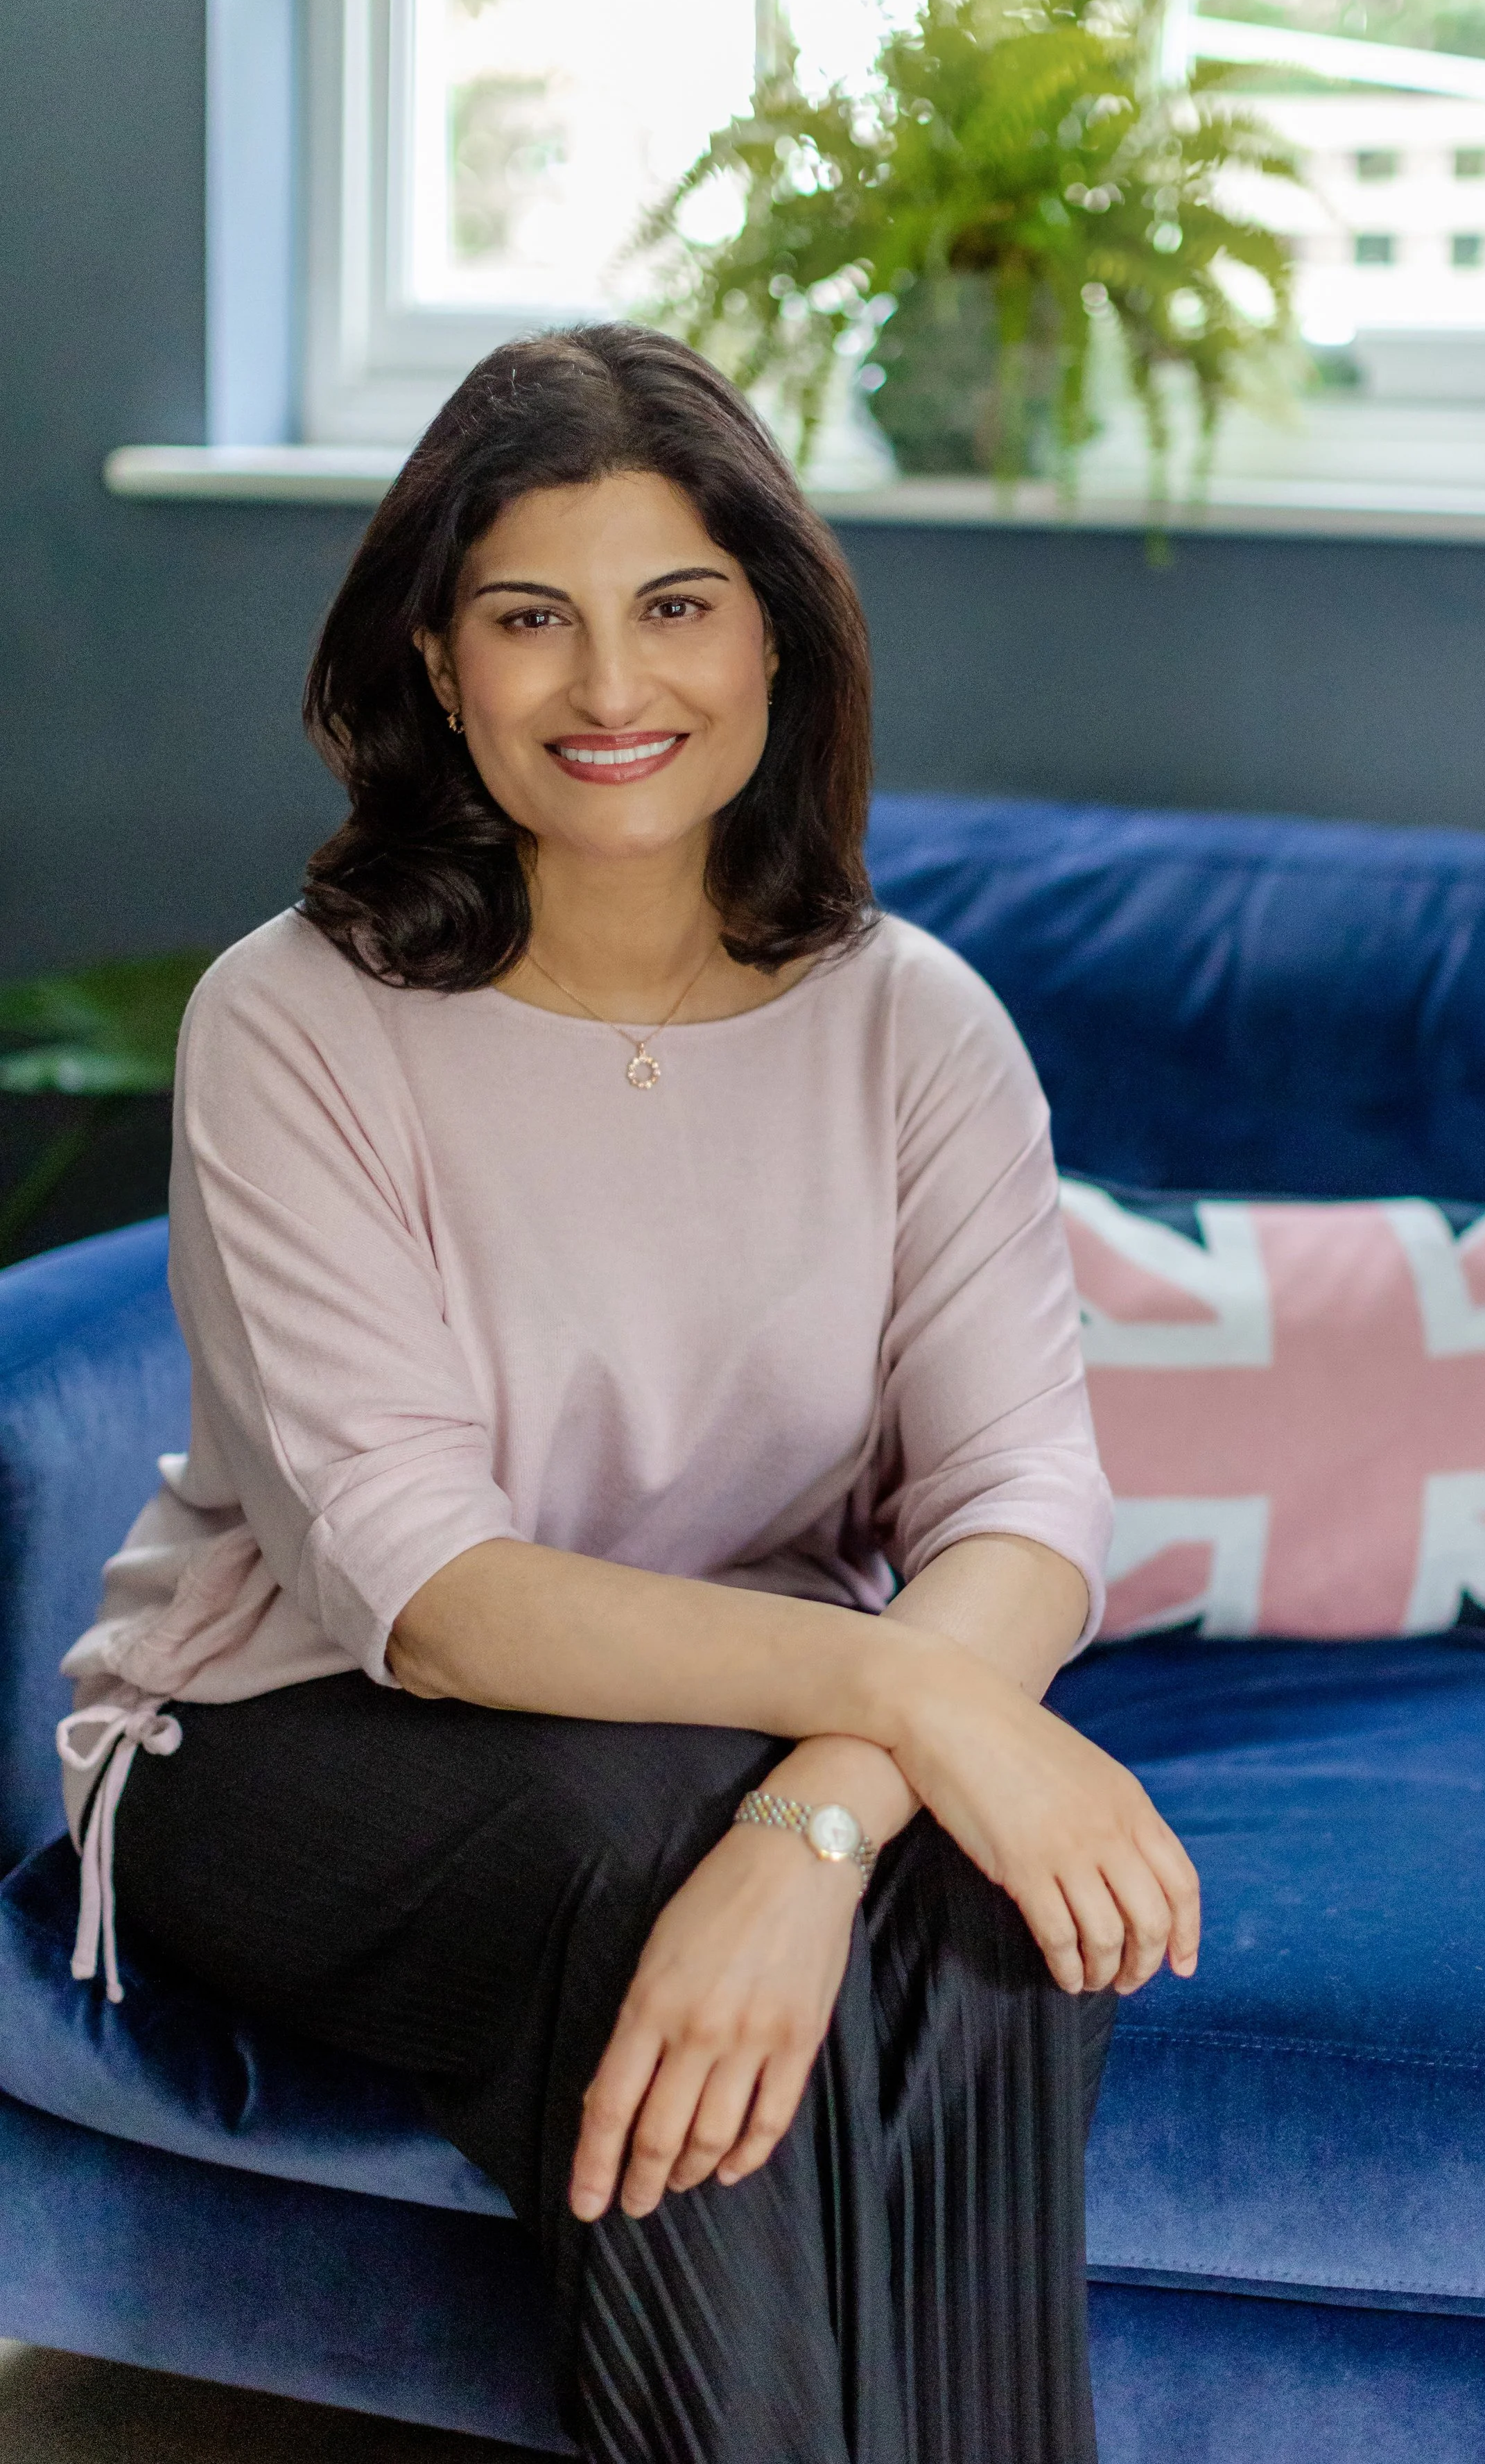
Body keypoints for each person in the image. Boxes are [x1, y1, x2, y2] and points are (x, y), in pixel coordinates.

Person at [55, 323, 1200, 2464]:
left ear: (773, 640)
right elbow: (429, 1590)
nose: (608, 684)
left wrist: (826, 1809)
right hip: (284, 1733)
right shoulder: (291, 1023)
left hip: (724, 1736)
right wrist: (916, 1702)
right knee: (638, 1847)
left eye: (676, 605)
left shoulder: (914, 1025)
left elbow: (1022, 1495)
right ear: (435, 659)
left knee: (987, 1897)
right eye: (528, 618)